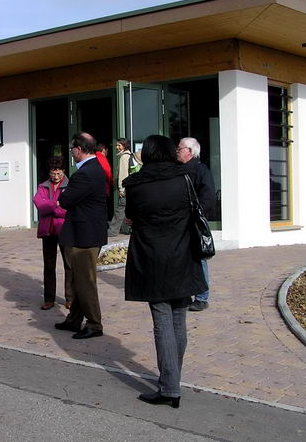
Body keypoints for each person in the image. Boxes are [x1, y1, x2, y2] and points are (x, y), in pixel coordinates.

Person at [124, 134, 207, 408]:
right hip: (183, 254)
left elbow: (131, 217)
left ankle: (170, 387)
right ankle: (172, 379)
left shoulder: (135, 185)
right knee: (178, 317)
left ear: (146, 154)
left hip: (151, 257)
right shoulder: (185, 178)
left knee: (162, 319)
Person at [54, 132, 107, 339]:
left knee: (85, 281)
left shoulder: (86, 173)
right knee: (78, 280)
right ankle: (74, 319)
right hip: (85, 232)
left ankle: (94, 323)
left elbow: (65, 200)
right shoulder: (94, 168)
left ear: (78, 149)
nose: (71, 153)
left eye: (72, 149)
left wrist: (64, 196)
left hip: (85, 235)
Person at [176, 137, 216, 312]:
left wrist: (196, 215)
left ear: (190, 151)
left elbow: (208, 197)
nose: (177, 151)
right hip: (177, 221)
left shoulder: (200, 170)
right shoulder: (175, 169)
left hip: (193, 221)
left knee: (199, 258)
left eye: (180, 148)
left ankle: (201, 297)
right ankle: (184, 292)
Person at [32, 156, 72, 310]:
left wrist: (50, 207)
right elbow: (39, 205)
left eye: (59, 174)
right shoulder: (43, 186)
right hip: (47, 230)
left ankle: (70, 297)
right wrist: (55, 204)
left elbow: (67, 209)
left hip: (64, 229)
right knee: (49, 265)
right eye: (53, 174)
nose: (56, 177)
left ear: (63, 172)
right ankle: (49, 298)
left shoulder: (70, 186)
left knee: (69, 264)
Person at [108, 138, 135, 237]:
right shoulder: (129, 155)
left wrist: (121, 189)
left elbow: (123, 175)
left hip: (126, 188)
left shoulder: (124, 157)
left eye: (119, 145)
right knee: (129, 209)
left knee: (121, 209)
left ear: (124, 146)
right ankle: (128, 228)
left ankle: (113, 231)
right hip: (131, 187)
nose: (117, 147)